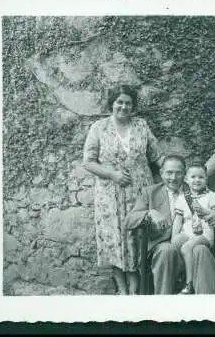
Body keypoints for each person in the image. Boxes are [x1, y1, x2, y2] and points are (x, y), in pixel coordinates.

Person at [82, 84, 165, 295]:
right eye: (119, 102)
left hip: (140, 192)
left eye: (128, 102)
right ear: (112, 104)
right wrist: (112, 174)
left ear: (133, 105)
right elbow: (88, 162)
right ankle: (121, 288)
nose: (124, 106)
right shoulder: (98, 128)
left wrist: (174, 170)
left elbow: (157, 156)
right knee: (114, 238)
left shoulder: (141, 126)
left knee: (137, 238)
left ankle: (135, 288)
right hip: (110, 195)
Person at [125, 155, 215, 294]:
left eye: (178, 173)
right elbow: (129, 220)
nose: (173, 178)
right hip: (162, 245)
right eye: (169, 173)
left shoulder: (195, 188)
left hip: (193, 241)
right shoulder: (151, 192)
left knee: (201, 250)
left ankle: (205, 308)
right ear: (161, 173)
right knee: (167, 250)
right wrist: (149, 213)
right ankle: (165, 307)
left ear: (185, 174)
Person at [171, 162, 215, 294]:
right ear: (186, 179)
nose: (197, 180)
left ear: (206, 179)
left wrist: (204, 211)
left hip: (204, 233)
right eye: (193, 177)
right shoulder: (183, 198)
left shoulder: (211, 196)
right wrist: (174, 236)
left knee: (186, 247)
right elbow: (178, 220)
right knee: (175, 243)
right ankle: (180, 277)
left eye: (201, 177)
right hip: (188, 232)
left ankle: (189, 283)